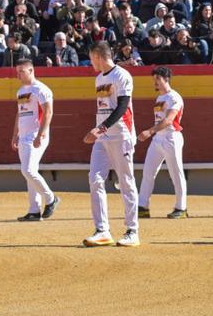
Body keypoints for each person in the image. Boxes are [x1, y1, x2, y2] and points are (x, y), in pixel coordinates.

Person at [81, 41, 140, 248]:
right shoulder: (99, 79)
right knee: (95, 179)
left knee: (126, 181)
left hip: (121, 135)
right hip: (103, 137)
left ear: (97, 56)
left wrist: (99, 129)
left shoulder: (122, 76)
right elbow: (104, 109)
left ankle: (133, 231)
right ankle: (102, 230)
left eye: (91, 58)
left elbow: (122, 108)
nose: (91, 63)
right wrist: (99, 132)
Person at [137, 66, 188, 220]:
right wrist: (154, 133)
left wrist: (150, 131)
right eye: (154, 80)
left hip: (172, 137)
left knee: (176, 173)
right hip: (158, 138)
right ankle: (143, 207)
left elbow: (168, 120)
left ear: (166, 79)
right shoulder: (159, 98)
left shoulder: (175, 98)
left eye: (158, 79)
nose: (155, 83)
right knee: (148, 172)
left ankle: (181, 207)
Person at [12, 59, 59, 223]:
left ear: (31, 70)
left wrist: (42, 133)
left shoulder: (41, 89)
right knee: (29, 173)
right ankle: (34, 210)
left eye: (21, 71)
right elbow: (19, 113)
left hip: (35, 135)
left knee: (28, 170)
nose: (18, 75)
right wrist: (15, 134)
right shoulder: (20, 91)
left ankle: (51, 198)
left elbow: (49, 112)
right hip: (24, 136)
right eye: (17, 72)